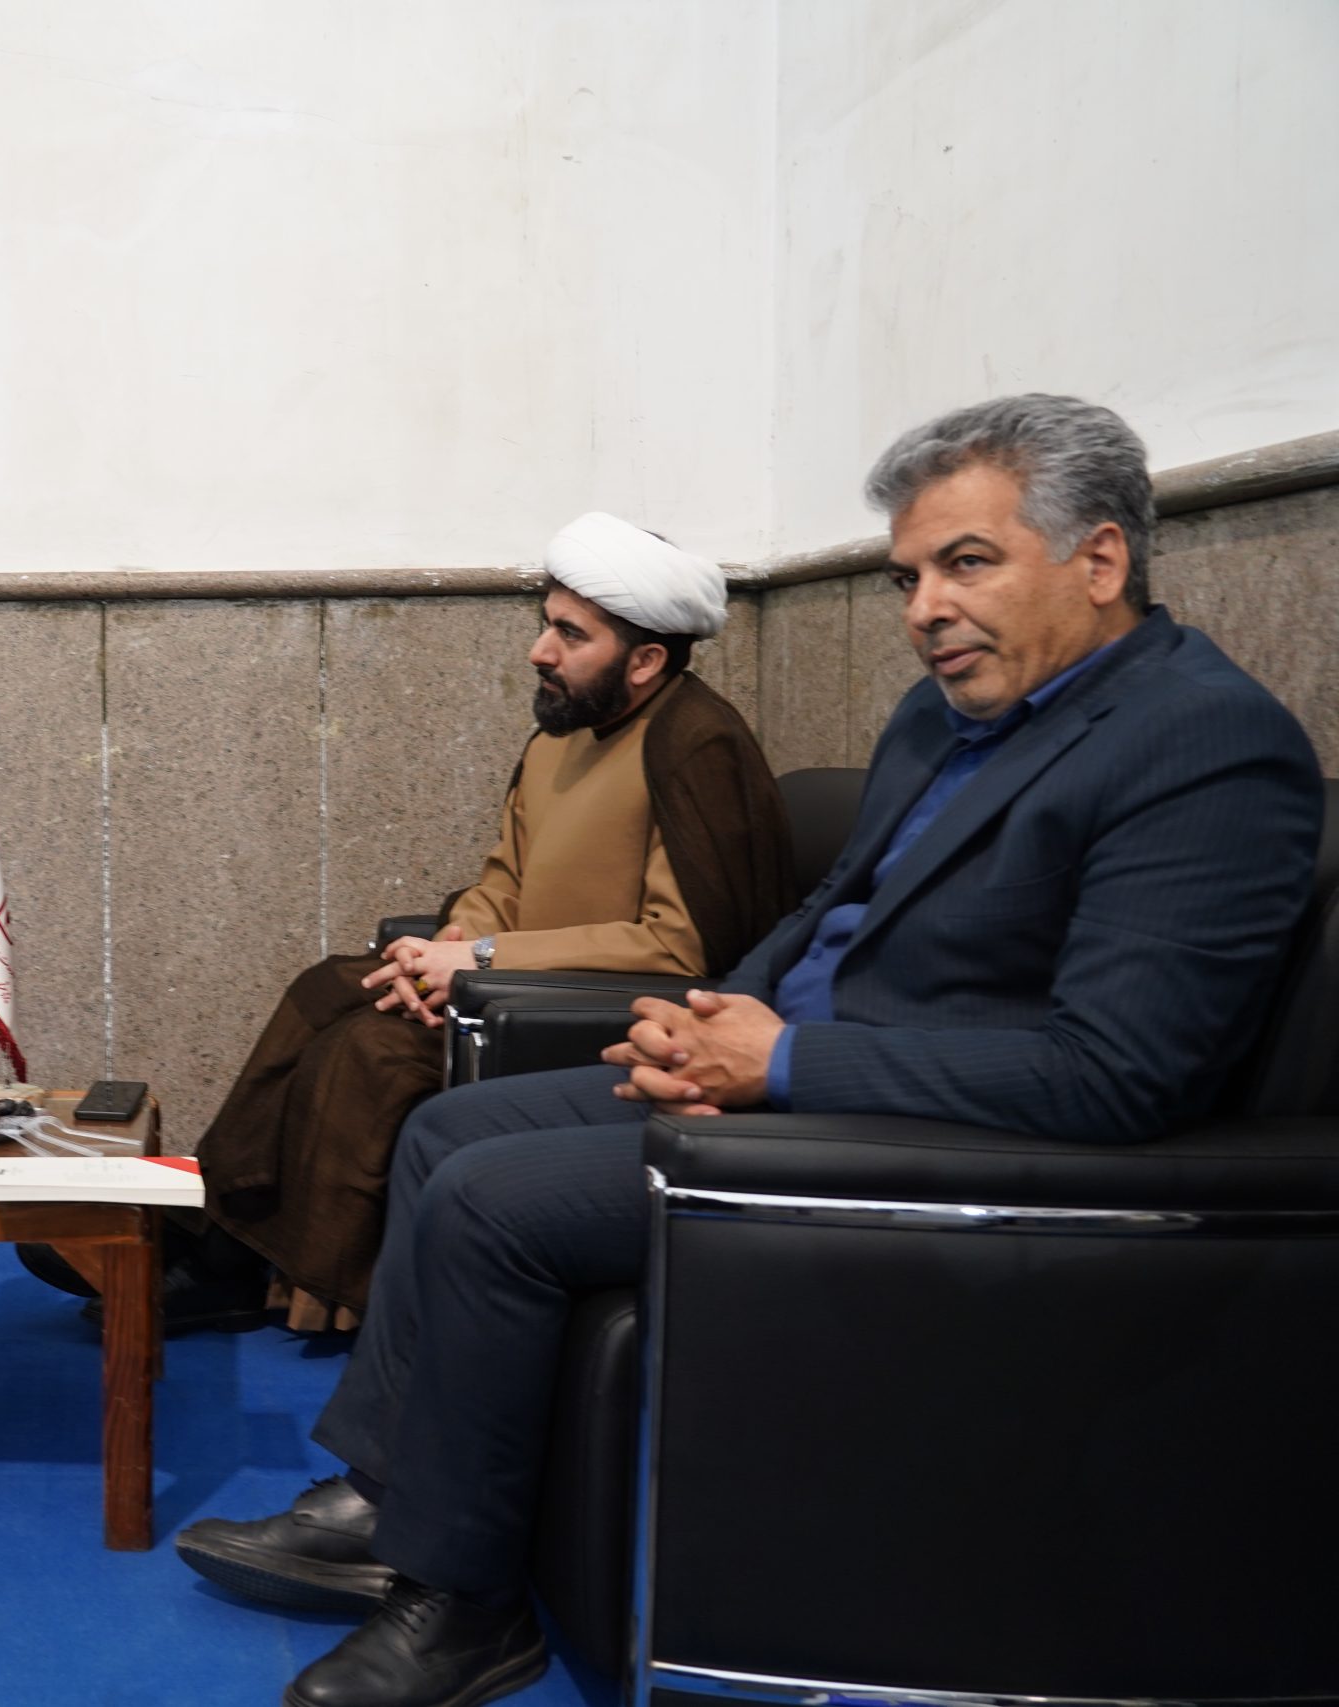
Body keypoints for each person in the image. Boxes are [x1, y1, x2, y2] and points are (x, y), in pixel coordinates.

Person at [172, 395, 1325, 1707]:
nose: (925, 609)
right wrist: (710, 1014)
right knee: (444, 1126)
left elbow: (1119, 1076)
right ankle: (395, 1492)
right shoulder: (938, 716)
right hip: (798, 1073)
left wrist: (779, 1065)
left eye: (966, 563)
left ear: (1100, 558)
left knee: (494, 1199)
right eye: (906, 577)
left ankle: (465, 1605)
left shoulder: (1201, 741)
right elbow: (828, 907)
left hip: (910, 1138)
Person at [64, 516, 789, 1334]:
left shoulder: (695, 745)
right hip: (507, 985)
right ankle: (209, 1221)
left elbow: (681, 947)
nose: (539, 650)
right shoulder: (561, 735)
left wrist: (482, 958)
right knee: (328, 988)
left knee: (371, 1048)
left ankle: (251, 1268)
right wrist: (446, 950)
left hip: (596, 1017)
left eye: (570, 633)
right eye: (545, 623)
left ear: (647, 660)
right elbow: (504, 878)